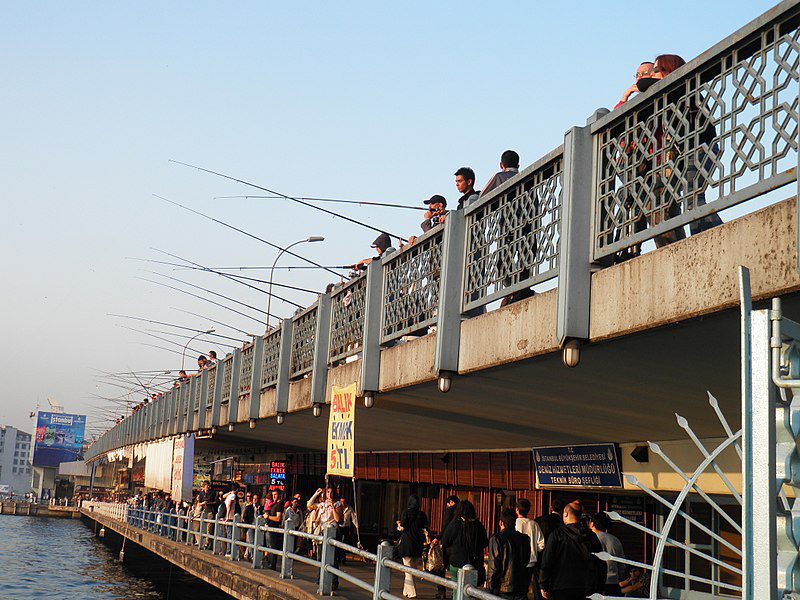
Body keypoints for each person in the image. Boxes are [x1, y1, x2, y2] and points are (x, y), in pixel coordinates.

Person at [538, 503, 605, 600]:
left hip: (561, 585)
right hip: (587, 586)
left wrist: (543, 584)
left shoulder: (557, 535)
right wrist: (600, 586)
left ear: (565, 514)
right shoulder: (591, 536)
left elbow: (547, 560)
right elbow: (601, 563)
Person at [441, 500, 489, 595]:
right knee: (471, 591)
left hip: (456, 562)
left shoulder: (454, 524)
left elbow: (445, 542)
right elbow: (484, 543)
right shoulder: (478, 526)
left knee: (456, 589)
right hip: (474, 563)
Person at [487, 508, 532, 600]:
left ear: (501, 523)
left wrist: (490, 588)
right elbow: (526, 561)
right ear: (515, 523)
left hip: (503, 588)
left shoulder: (497, 539)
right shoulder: (525, 539)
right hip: (521, 587)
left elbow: (493, 567)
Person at [396, 494, 429, 598]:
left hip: (407, 544)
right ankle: (406, 591)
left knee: (408, 570)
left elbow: (402, 528)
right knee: (412, 569)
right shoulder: (422, 515)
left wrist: (398, 525)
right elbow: (425, 528)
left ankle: (412, 593)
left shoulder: (406, 512)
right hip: (418, 544)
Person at [589, 512, 626, 597]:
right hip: (614, 583)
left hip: (597, 583)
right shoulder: (615, 540)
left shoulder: (592, 540)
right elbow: (622, 565)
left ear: (592, 524)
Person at [515, 498, 545, 599]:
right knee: (526, 586)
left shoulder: (515, 523)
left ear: (517, 510)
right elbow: (541, 544)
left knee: (518, 588)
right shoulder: (534, 524)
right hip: (531, 561)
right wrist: (534, 551)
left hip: (516, 561)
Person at [266, 490, 284, 570]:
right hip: (269, 527)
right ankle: (270, 563)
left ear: (279, 495)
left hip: (273, 529)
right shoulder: (274, 504)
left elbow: (278, 518)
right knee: (269, 547)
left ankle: (272, 565)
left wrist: (268, 517)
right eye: (273, 494)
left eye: (275, 494)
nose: (273, 496)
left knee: (272, 547)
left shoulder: (279, 505)